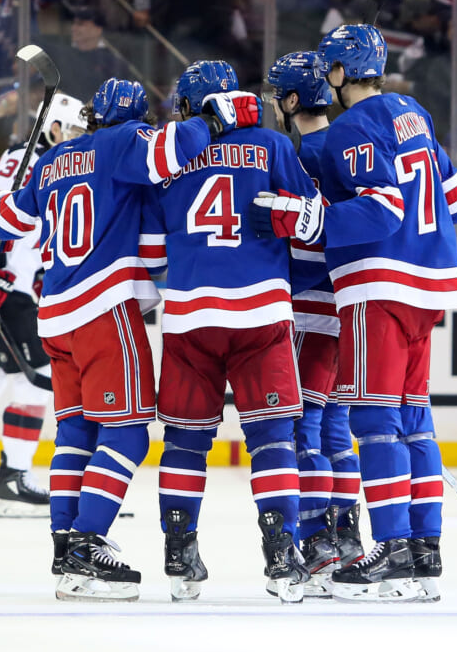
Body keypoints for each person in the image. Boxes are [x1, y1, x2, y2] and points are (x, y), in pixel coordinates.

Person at [0, 75, 236, 601]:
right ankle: (88, 543)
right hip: (103, 309)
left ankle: (65, 544)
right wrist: (213, 119)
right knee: (127, 434)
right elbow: (174, 148)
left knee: (76, 434)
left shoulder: (54, 157)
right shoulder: (124, 143)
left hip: (53, 314)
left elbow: (6, 219)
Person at [251, 24, 457, 603]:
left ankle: (393, 548)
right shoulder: (414, 112)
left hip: (380, 286)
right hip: (432, 283)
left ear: (343, 73)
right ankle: (425, 550)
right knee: (415, 420)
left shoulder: (353, 128)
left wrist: (308, 219)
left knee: (374, 423)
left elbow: (381, 210)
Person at [141, 60, 313, 603]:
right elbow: (311, 215)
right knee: (271, 440)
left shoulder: (167, 155)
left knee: (185, 443)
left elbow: (148, 248)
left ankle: (178, 552)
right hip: (260, 311)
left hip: (191, 314)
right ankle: (282, 556)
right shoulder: (271, 145)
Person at [0, 94, 88, 518]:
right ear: (54, 127)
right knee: (37, 379)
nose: (76, 140)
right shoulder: (30, 157)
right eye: (72, 131)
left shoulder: (37, 156)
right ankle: (13, 478)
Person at [265, 51, 365, 593]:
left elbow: (299, 235)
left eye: (279, 93)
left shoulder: (295, 153)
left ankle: (317, 542)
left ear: (294, 100)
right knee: (334, 427)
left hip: (306, 303)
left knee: (303, 426)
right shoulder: (352, 146)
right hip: (350, 307)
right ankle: (346, 536)